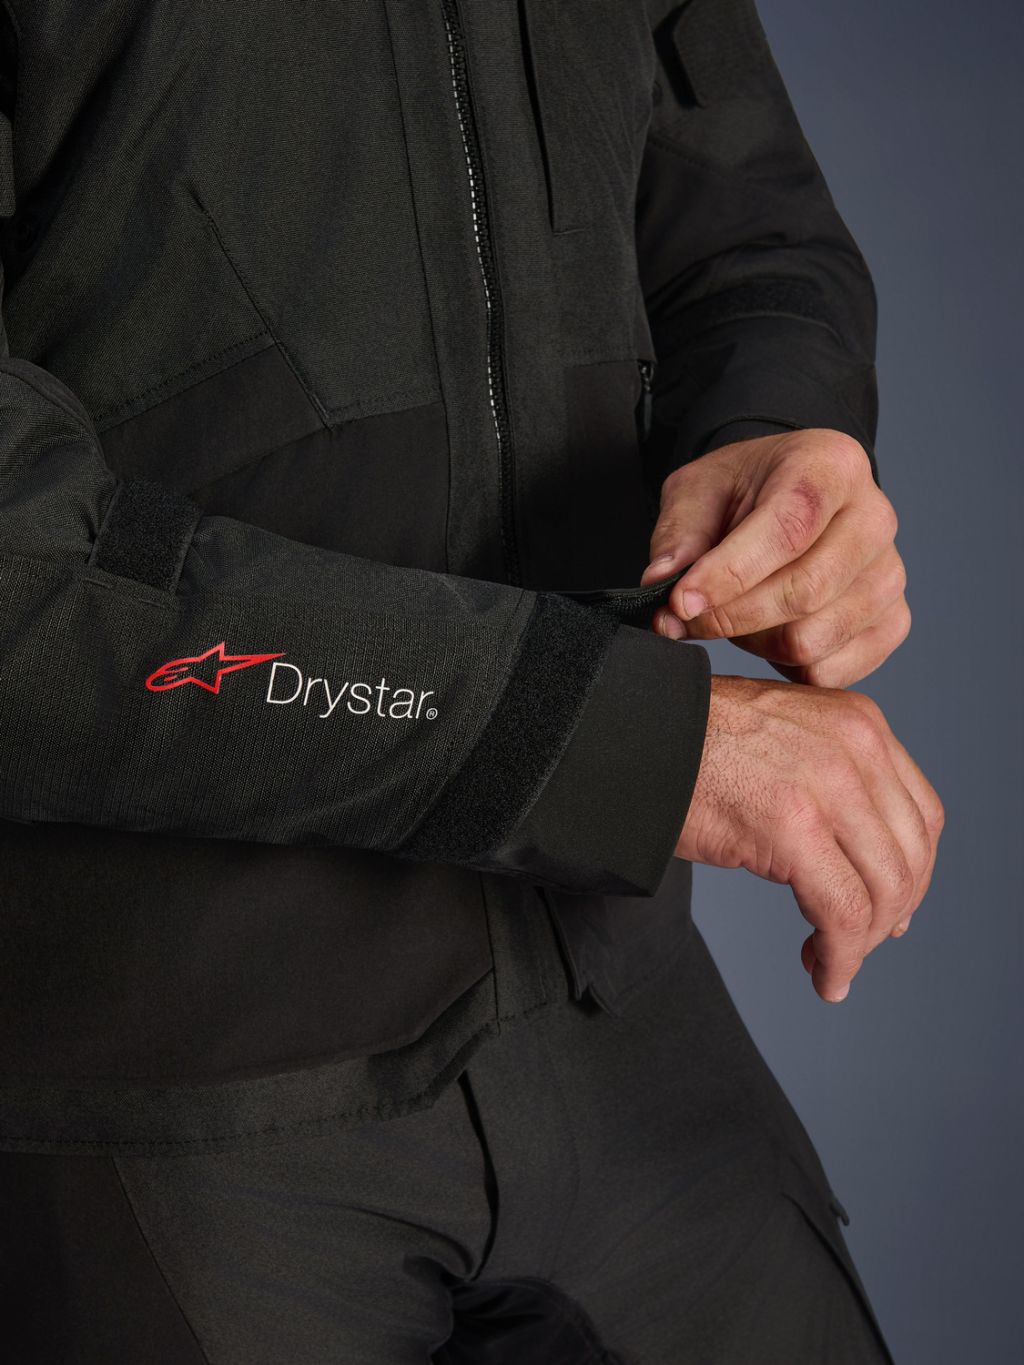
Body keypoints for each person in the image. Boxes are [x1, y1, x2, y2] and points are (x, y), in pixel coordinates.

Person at [0, 0, 942, 1359]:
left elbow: (745, 222)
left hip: (612, 990)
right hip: (179, 1080)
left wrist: (785, 434)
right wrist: (617, 743)